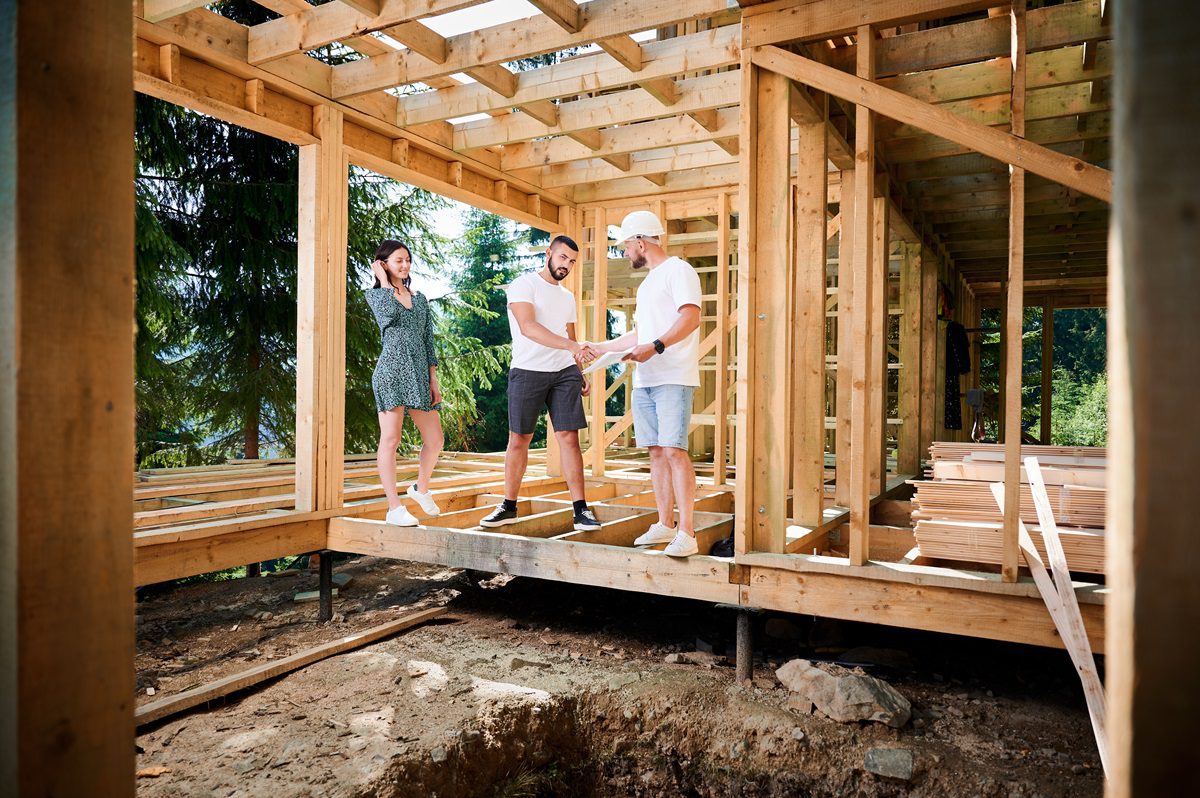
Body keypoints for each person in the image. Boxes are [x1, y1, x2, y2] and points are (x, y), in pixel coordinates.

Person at [585, 211, 702, 557]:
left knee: (673, 451)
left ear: (640, 241)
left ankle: (688, 532)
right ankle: (665, 523)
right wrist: (600, 348)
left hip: (673, 377)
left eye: (625, 246)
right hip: (646, 380)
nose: (624, 253)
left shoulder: (679, 270)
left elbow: (691, 316)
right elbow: (640, 334)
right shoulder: (649, 282)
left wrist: (657, 347)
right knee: (654, 451)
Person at [479, 235, 603, 532]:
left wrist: (579, 371)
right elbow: (528, 327)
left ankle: (581, 510)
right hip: (527, 370)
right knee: (518, 439)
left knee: (569, 439)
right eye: (562, 258)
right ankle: (508, 506)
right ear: (548, 254)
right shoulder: (524, 285)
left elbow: (570, 337)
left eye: (572, 261)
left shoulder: (567, 297)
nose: (567, 265)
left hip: (563, 372)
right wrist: (572, 348)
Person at [365, 240, 445, 527]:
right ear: (384, 264)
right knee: (391, 440)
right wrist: (383, 281)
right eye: (398, 260)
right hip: (390, 372)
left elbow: (428, 341)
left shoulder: (420, 299)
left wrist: (433, 379)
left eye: (407, 260)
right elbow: (388, 317)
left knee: (435, 440)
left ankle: (420, 489)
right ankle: (394, 507)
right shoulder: (376, 296)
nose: (405, 265)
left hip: (418, 374)